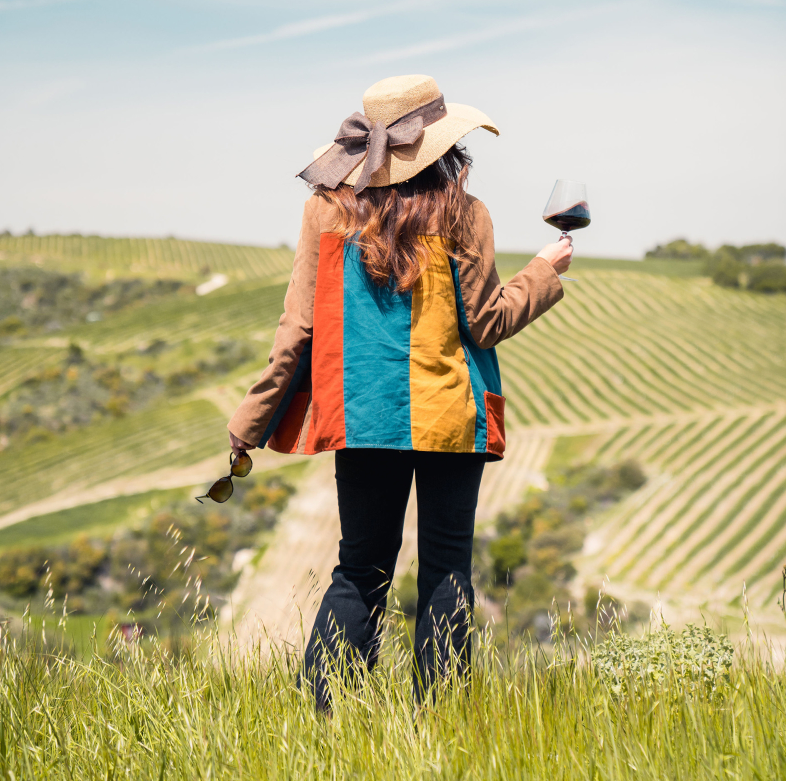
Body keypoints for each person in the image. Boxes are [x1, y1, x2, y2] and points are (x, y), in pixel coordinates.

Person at [226, 74, 571, 706]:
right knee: (446, 568)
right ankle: (438, 722)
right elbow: (489, 322)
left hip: (362, 415)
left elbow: (298, 327)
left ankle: (321, 720)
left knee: (360, 568)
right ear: (444, 145)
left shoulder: (324, 210)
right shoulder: (465, 214)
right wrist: (544, 272)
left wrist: (252, 419)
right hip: (450, 416)